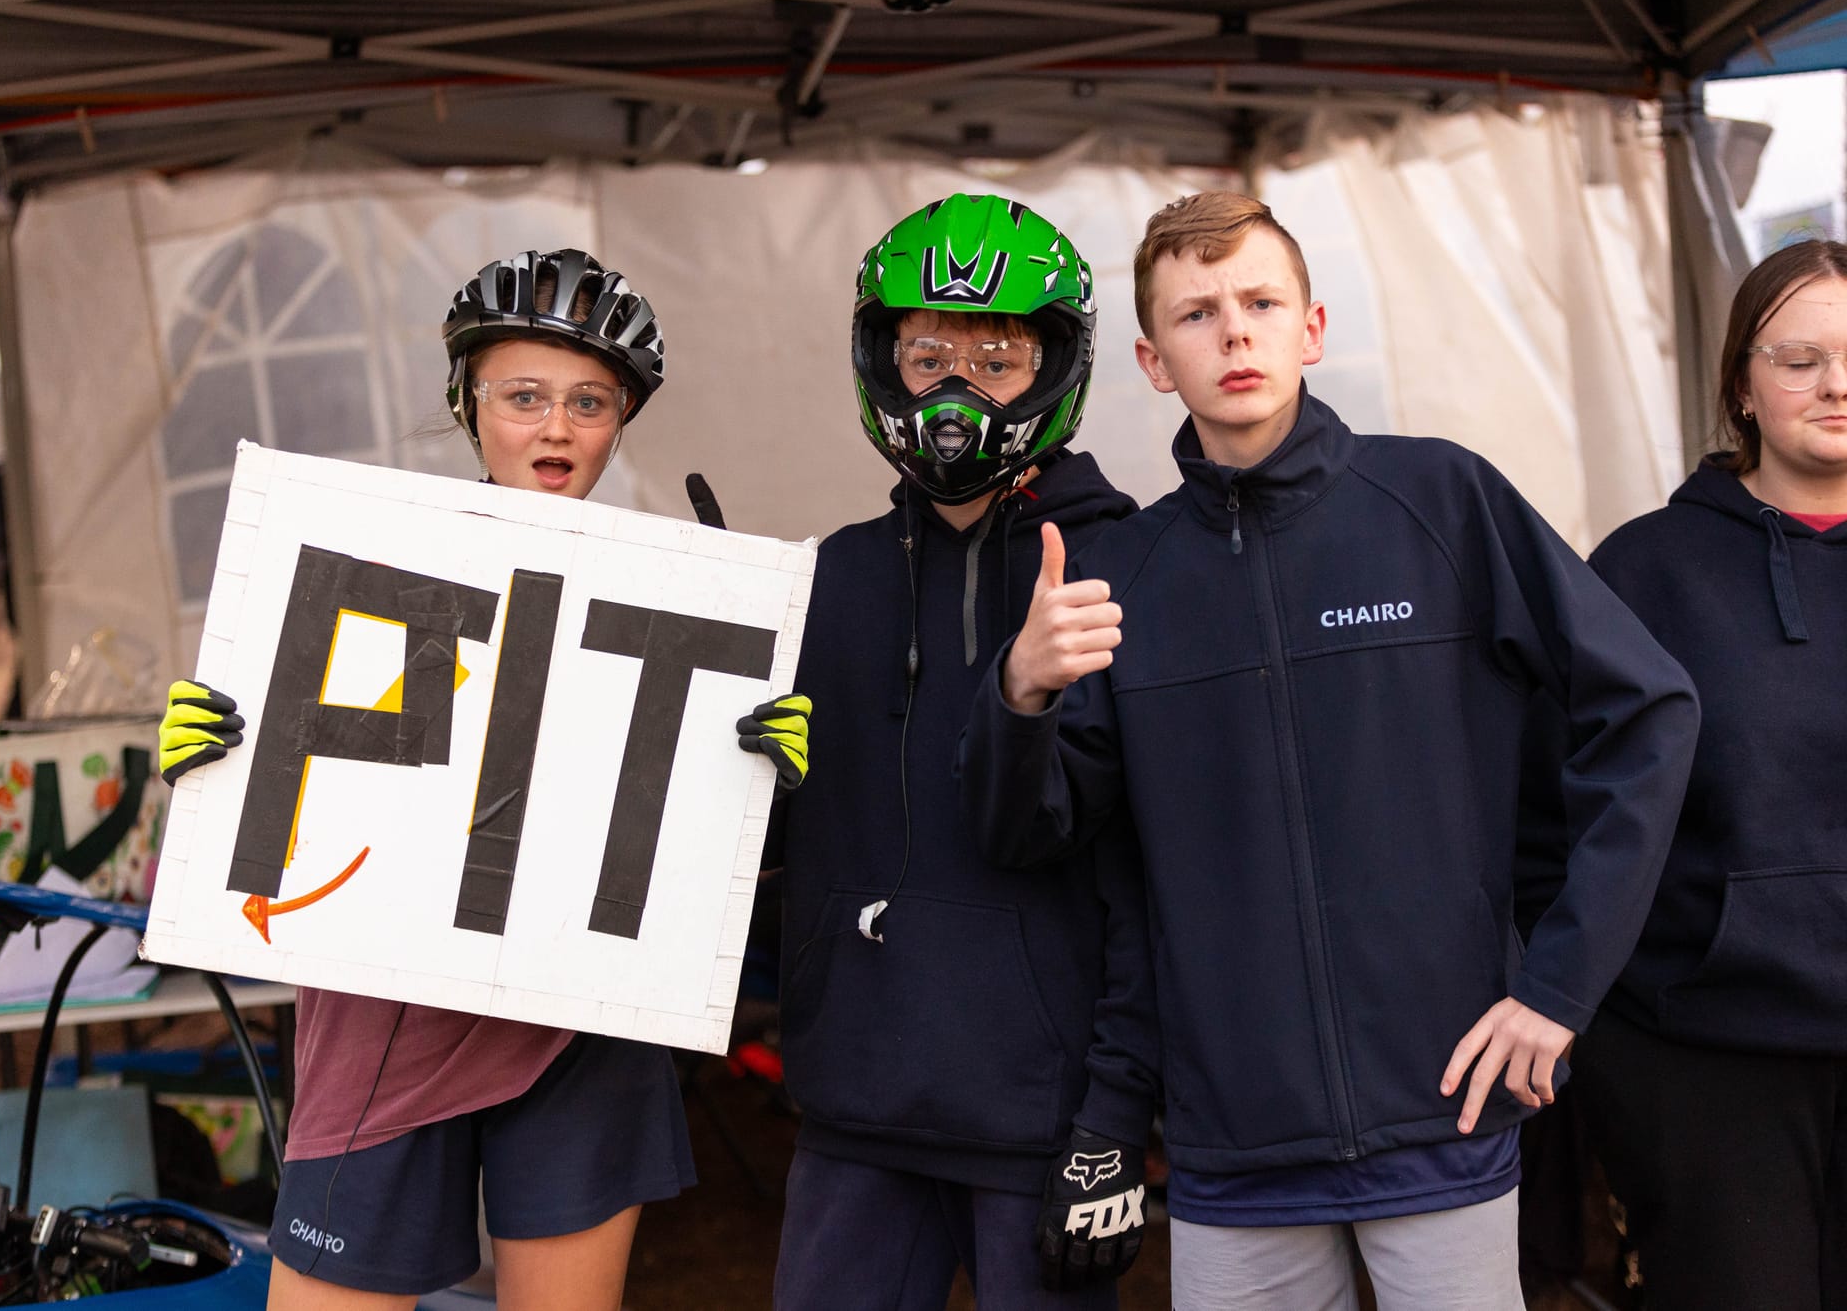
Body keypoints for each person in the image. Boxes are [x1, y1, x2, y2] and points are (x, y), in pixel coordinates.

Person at [960, 190, 1702, 1310]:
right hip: (1232, 1145)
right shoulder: (1124, 575)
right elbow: (1032, 833)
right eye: (1196, 314)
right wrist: (1020, 692)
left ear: (1310, 329)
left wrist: (1558, 985)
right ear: (1155, 362)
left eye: (1260, 303)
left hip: (1442, 1110)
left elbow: (1646, 710)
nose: (1234, 333)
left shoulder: (1442, 501)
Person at [156, 248, 810, 1311]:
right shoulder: (376, 559)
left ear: (619, 421)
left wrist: (757, 786)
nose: (556, 427)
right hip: (385, 1013)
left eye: (589, 401)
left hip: (584, 1020)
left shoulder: (682, 589)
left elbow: (689, 861)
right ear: (468, 402)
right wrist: (214, 763)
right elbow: (310, 785)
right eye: (524, 396)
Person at [768, 193, 1158, 1310]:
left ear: (1053, 368)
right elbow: (774, 859)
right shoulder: (824, 578)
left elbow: (1161, 871)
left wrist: (1117, 1115)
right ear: (881, 359)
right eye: (928, 354)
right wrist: (744, 783)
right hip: (852, 1106)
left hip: (1040, 1116)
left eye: (996, 360)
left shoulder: (1130, 567)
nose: (956, 389)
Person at [1557, 239, 1847, 1310]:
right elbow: (1562, 816)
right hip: (1707, 1056)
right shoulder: (1643, 571)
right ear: (1740, 386)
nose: (1836, 385)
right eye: (1800, 360)